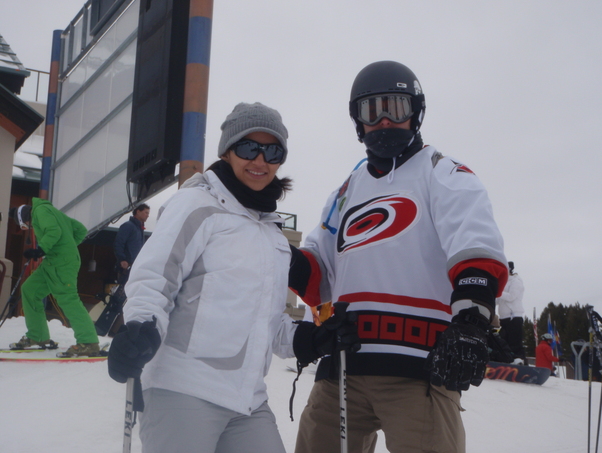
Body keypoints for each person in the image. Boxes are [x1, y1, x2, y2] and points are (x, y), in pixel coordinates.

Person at [107, 102, 359, 453]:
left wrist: (311, 339)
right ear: (227, 150)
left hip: (248, 401)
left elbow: (264, 320)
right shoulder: (197, 204)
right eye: (248, 148)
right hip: (183, 388)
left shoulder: (271, 235)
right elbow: (156, 276)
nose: (260, 160)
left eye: (272, 152)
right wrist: (141, 327)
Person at [288, 61, 508, 453]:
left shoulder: (443, 173)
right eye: (372, 111)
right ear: (358, 121)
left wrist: (472, 322)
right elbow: (319, 274)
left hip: (420, 367)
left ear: (416, 112)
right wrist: (276, 255)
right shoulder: (345, 192)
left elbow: (475, 246)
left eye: (396, 108)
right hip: (344, 366)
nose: (385, 121)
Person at [8, 199, 100, 356]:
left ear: (24, 219)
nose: (29, 228)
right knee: (30, 290)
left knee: (68, 299)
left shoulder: (40, 212)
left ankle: (88, 342)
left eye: (25, 226)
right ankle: (37, 336)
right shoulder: (52, 212)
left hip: (61, 264)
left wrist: (42, 250)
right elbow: (80, 229)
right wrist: (66, 246)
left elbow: (53, 231)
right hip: (52, 262)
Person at [496, 261, 526, 364]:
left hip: (514, 317)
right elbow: (498, 300)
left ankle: (519, 360)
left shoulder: (516, 281)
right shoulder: (502, 282)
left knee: (515, 342)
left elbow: (511, 296)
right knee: (503, 341)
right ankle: (506, 360)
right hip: (504, 317)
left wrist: (497, 291)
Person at [113, 203, 150, 285]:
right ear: (138, 211)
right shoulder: (128, 226)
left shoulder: (139, 229)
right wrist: (122, 259)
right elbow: (119, 243)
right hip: (126, 266)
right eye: (146, 212)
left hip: (135, 266)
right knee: (124, 287)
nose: (148, 215)